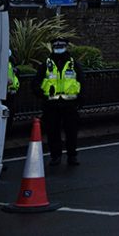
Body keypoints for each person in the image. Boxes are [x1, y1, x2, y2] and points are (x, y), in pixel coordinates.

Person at [32, 37, 81, 166]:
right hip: (51, 105)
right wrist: (42, 95)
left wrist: (80, 100)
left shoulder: (73, 64)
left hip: (69, 104)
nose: (59, 49)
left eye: (61, 46)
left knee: (71, 132)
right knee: (53, 132)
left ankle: (72, 156)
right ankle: (55, 156)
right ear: (53, 48)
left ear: (66, 47)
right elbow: (36, 83)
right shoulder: (46, 64)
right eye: (56, 46)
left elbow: (82, 81)